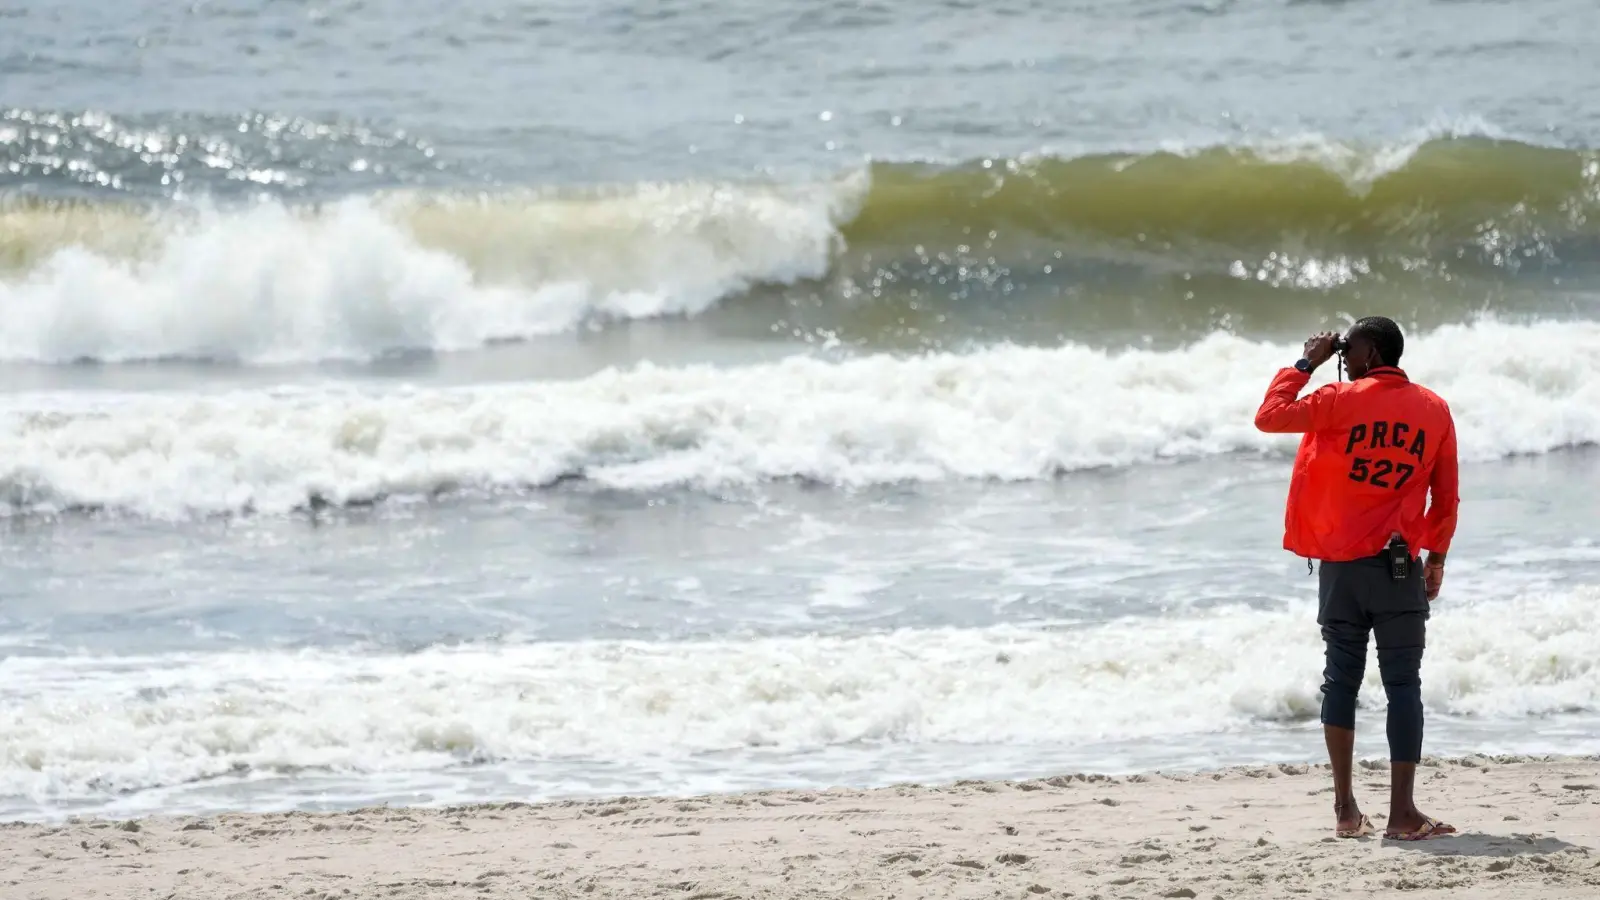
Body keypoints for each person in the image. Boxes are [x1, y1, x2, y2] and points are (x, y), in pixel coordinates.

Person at [1253, 316, 1460, 842]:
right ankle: (1403, 815)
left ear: (1368, 351)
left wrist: (1307, 362)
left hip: (1341, 571)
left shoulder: (1337, 399)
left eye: (1350, 348)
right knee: (1403, 686)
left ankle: (1346, 810)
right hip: (1397, 571)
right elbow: (1446, 495)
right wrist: (1435, 560)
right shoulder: (1433, 409)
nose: (1345, 355)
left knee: (1340, 679)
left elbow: (1269, 417)